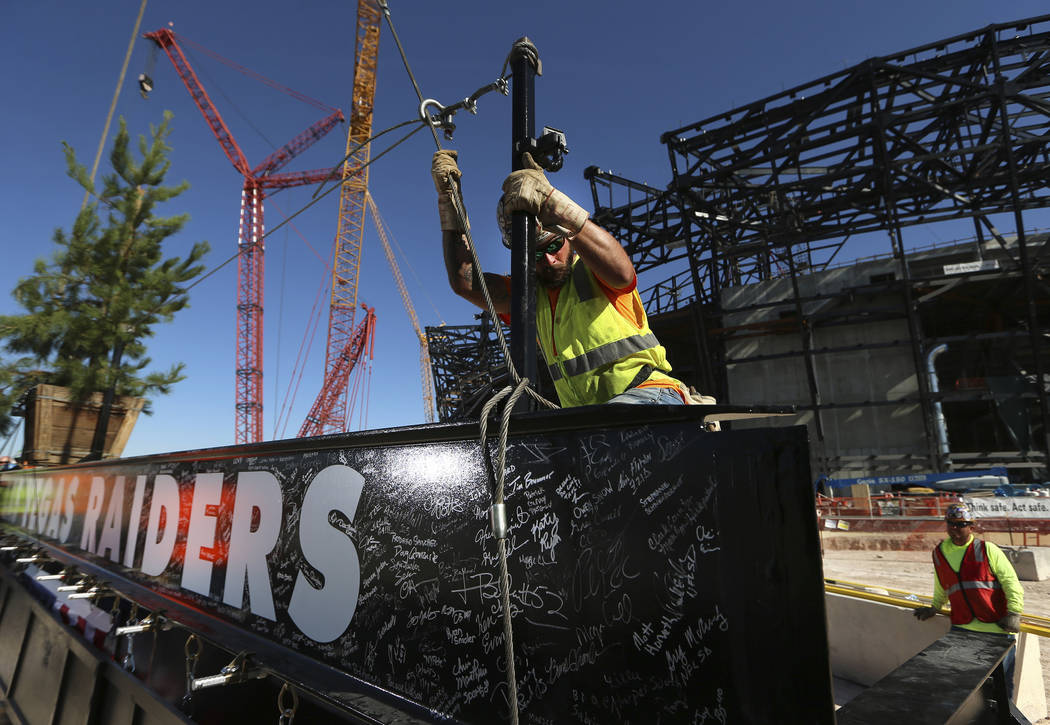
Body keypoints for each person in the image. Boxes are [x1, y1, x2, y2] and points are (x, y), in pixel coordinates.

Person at [432, 149, 702, 408]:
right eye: (536, 254)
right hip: (591, 420)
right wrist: (449, 202)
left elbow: (623, 273)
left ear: (566, 235)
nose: (549, 259)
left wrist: (553, 202)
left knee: (603, 430)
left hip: (650, 395)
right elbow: (465, 282)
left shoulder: (593, 269)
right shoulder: (528, 296)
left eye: (553, 246)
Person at [914, 502, 1024, 694]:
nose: (955, 529)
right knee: (965, 688)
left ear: (971, 527)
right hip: (961, 629)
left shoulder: (987, 549)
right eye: (951, 524)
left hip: (996, 630)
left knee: (1001, 689)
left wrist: (1014, 612)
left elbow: (1011, 582)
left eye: (961, 524)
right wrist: (935, 607)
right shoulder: (939, 553)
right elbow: (942, 584)